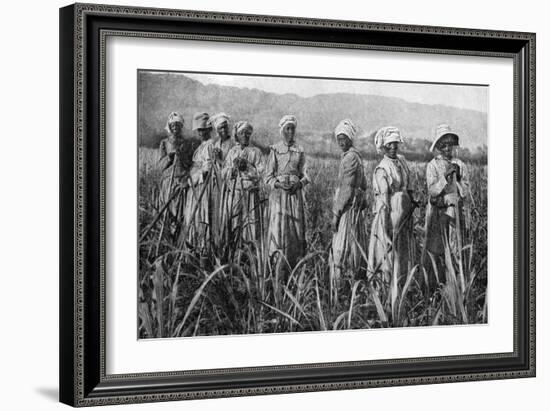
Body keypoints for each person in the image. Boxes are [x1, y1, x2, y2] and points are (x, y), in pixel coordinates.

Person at [367, 126, 417, 287]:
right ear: (383, 146)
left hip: (403, 217)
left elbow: (408, 185)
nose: (393, 147)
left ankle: (403, 287)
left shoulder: (402, 161)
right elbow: (384, 201)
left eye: (395, 143)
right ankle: (385, 291)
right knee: (387, 253)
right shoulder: (382, 169)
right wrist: (386, 229)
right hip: (388, 217)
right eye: (389, 144)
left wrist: (411, 200)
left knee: (403, 253)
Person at [422, 124, 470, 288]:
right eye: (444, 145)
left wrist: (457, 179)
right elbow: (432, 191)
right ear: (439, 147)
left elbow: (466, 192)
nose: (447, 148)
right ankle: (437, 287)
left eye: (450, 144)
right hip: (438, 213)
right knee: (438, 250)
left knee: (456, 248)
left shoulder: (461, 165)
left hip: (456, 213)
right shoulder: (433, 166)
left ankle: (457, 287)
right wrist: (445, 177)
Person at [265, 115, 309, 271]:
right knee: (278, 228)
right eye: (287, 129)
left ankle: (294, 265)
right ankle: (277, 265)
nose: (290, 132)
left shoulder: (300, 150)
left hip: (294, 196)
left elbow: (306, 175)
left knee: (295, 229)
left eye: (293, 129)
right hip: (279, 197)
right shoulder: (275, 150)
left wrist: (299, 183)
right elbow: (268, 176)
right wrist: (278, 184)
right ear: (282, 131)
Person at [330, 119, 368, 279]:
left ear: (350, 139)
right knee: (354, 245)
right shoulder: (354, 156)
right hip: (354, 208)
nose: (341, 142)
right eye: (339, 139)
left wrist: (336, 214)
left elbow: (347, 188)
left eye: (343, 139)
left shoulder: (350, 158)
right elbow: (364, 184)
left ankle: (343, 288)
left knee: (343, 248)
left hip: (347, 209)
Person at [222, 121, 264, 245]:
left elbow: (261, 172)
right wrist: (234, 168)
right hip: (235, 192)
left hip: (250, 192)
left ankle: (249, 250)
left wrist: (247, 167)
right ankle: (234, 248)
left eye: (247, 133)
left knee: (250, 223)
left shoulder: (255, 152)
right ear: (237, 136)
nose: (245, 136)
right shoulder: (232, 152)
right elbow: (224, 172)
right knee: (235, 220)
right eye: (242, 133)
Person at [183, 112, 217, 255]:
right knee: (193, 216)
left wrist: (192, 180)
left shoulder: (210, 146)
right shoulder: (201, 146)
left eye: (204, 130)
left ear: (209, 130)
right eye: (199, 131)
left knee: (201, 216)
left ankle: (203, 250)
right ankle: (194, 249)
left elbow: (207, 169)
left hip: (202, 187)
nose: (201, 133)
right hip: (195, 186)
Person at [157, 112, 195, 231]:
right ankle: (166, 235)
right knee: (167, 212)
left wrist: (182, 157)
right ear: (169, 126)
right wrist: (170, 157)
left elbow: (190, 165)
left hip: (181, 182)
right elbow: (160, 166)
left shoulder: (187, 144)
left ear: (181, 127)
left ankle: (178, 237)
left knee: (180, 213)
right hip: (168, 182)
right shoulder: (164, 143)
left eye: (178, 125)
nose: (175, 128)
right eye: (173, 125)